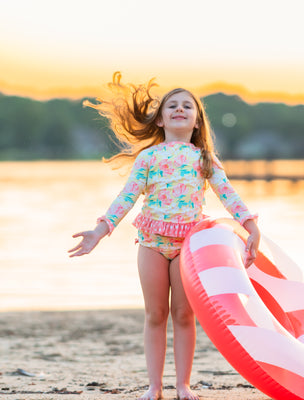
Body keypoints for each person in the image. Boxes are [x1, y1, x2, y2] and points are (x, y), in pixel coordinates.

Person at [68, 72, 260, 400]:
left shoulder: (204, 159)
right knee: (155, 314)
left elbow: (227, 193)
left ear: (198, 122)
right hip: (152, 243)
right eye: (172, 105)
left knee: (184, 315)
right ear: (160, 119)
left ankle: (183, 386)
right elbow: (126, 197)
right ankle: (154, 387)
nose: (180, 109)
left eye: (188, 106)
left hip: (189, 247)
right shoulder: (148, 158)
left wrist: (250, 225)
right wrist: (100, 230)